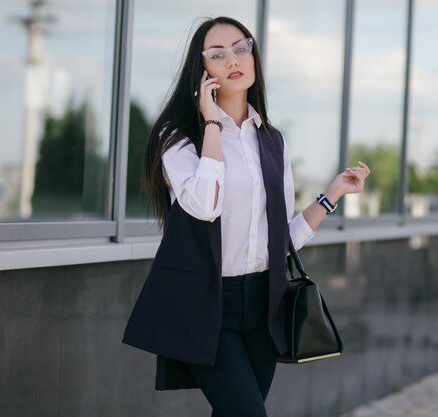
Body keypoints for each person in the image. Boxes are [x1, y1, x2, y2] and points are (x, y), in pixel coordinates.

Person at [122, 16, 370, 417]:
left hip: (263, 304)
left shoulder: (272, 140)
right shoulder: (177, 138)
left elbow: (280, 239)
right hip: (207, 306)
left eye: (241, 48)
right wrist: (212, 124)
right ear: (202, 71)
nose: (233, 60)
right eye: (217, 54)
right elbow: (204, 205)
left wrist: (332, 194)